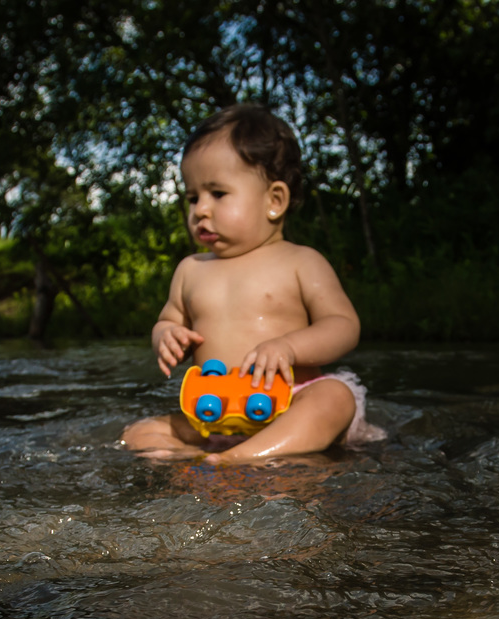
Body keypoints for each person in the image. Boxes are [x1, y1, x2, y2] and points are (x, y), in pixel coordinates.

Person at [121, 104, 384, 463]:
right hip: (214, 415)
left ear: (274, 201)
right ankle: (204, 453)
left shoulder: (301, 261)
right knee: (137, 433)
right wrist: (166, 336)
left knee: (335, 397)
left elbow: (343, 326)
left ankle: (242, 456)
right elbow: (169, 320)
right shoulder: (190, 269)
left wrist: (288, 347)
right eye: (193, 197)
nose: (200, 210)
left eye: (218, 194)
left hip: (292, 401)